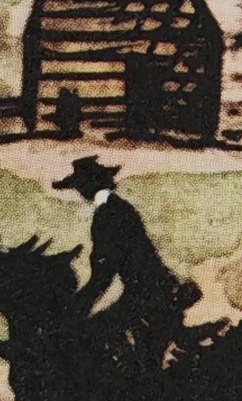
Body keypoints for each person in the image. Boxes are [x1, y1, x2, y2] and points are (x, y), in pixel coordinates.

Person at [58, 155, 198, 380]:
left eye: (80, 185)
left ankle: (131, 378)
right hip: (151, 289)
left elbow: (104, 272)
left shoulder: (108, 214)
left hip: (147, 293)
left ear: (90, 185)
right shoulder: (115, 207)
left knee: (97, 330)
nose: (79, 191)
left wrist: (79, 305)